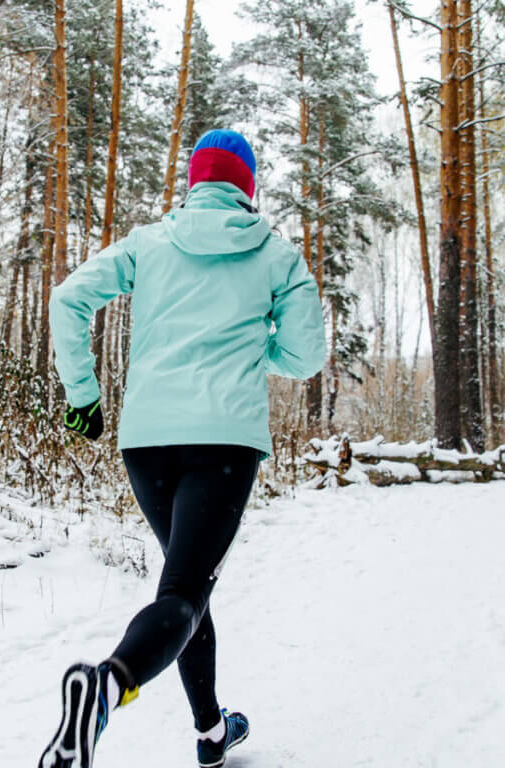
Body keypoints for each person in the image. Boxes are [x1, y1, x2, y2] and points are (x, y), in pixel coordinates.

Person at [39, 129, 326, 768]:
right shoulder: (276, 255)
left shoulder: (149, 242)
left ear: (194, 182)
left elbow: (68, 298)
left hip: (148, 442)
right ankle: (108, 685)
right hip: (223, 441)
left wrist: (83, 395)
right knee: (185, 592)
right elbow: (306, 355)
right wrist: (257, 348)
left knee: (188, 585)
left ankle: (211, 731)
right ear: (247, 187)